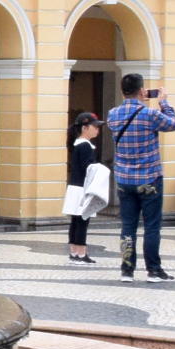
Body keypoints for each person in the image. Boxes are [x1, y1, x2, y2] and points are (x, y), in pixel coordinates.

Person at [103, 73, 175, 281]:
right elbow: (172, 124)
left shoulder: (113, 114)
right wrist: (164, 103)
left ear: (122, 91)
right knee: (151, 225)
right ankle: (153, 269)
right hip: (149, 178)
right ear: (142, 90)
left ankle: (127, 269)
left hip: (124, 179)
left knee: (128, 226)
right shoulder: (149, 114)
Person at [61, 112, 104, 265]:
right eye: (95, 126)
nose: (97, 129)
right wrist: (100, 169)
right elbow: (88, 168)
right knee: (82, 221)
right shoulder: (85, 145)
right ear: (85, 128)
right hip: (82, 189)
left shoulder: (78, 144)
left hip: (76, 187)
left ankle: (74, 252)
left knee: (76, 221)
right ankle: (80, 253)